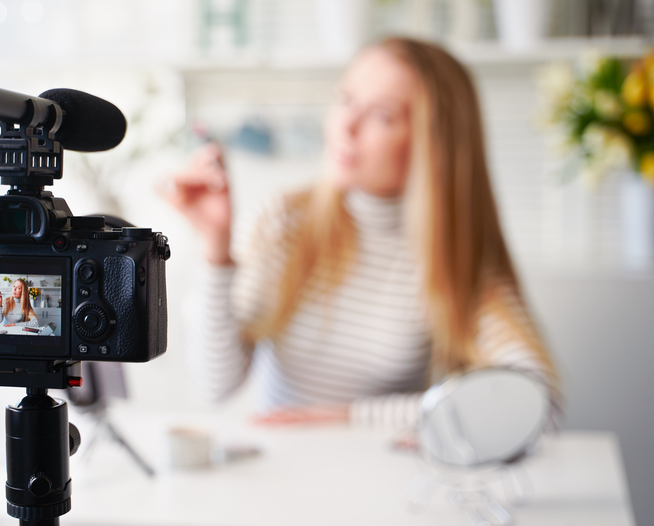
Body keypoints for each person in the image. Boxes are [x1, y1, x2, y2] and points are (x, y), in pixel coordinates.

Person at [163, 36, 559, 431]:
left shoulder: (452, 255)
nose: (346, 126)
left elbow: (533, 402)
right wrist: (215, 250)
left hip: (384, 475)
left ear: (433, 144)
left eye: (383, 116)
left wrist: (351, 418)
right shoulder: (282, 223)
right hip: (283, 471)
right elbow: (214, 386)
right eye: (346, 99)